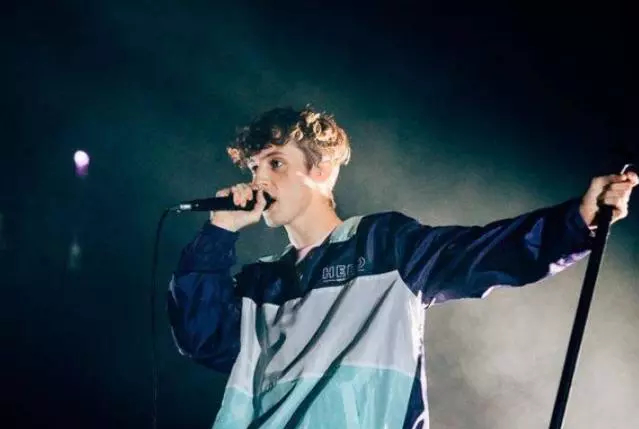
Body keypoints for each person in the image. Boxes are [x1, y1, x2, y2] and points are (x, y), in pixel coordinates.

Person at [167, 106, 637, 429]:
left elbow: (483, 254)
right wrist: (219, 233)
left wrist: (577, 220)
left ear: (322, 169)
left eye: (275, 163)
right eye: (253, 168)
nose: (260, 180)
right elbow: (202, 339)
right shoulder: (258, 282)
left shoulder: (384, 244)